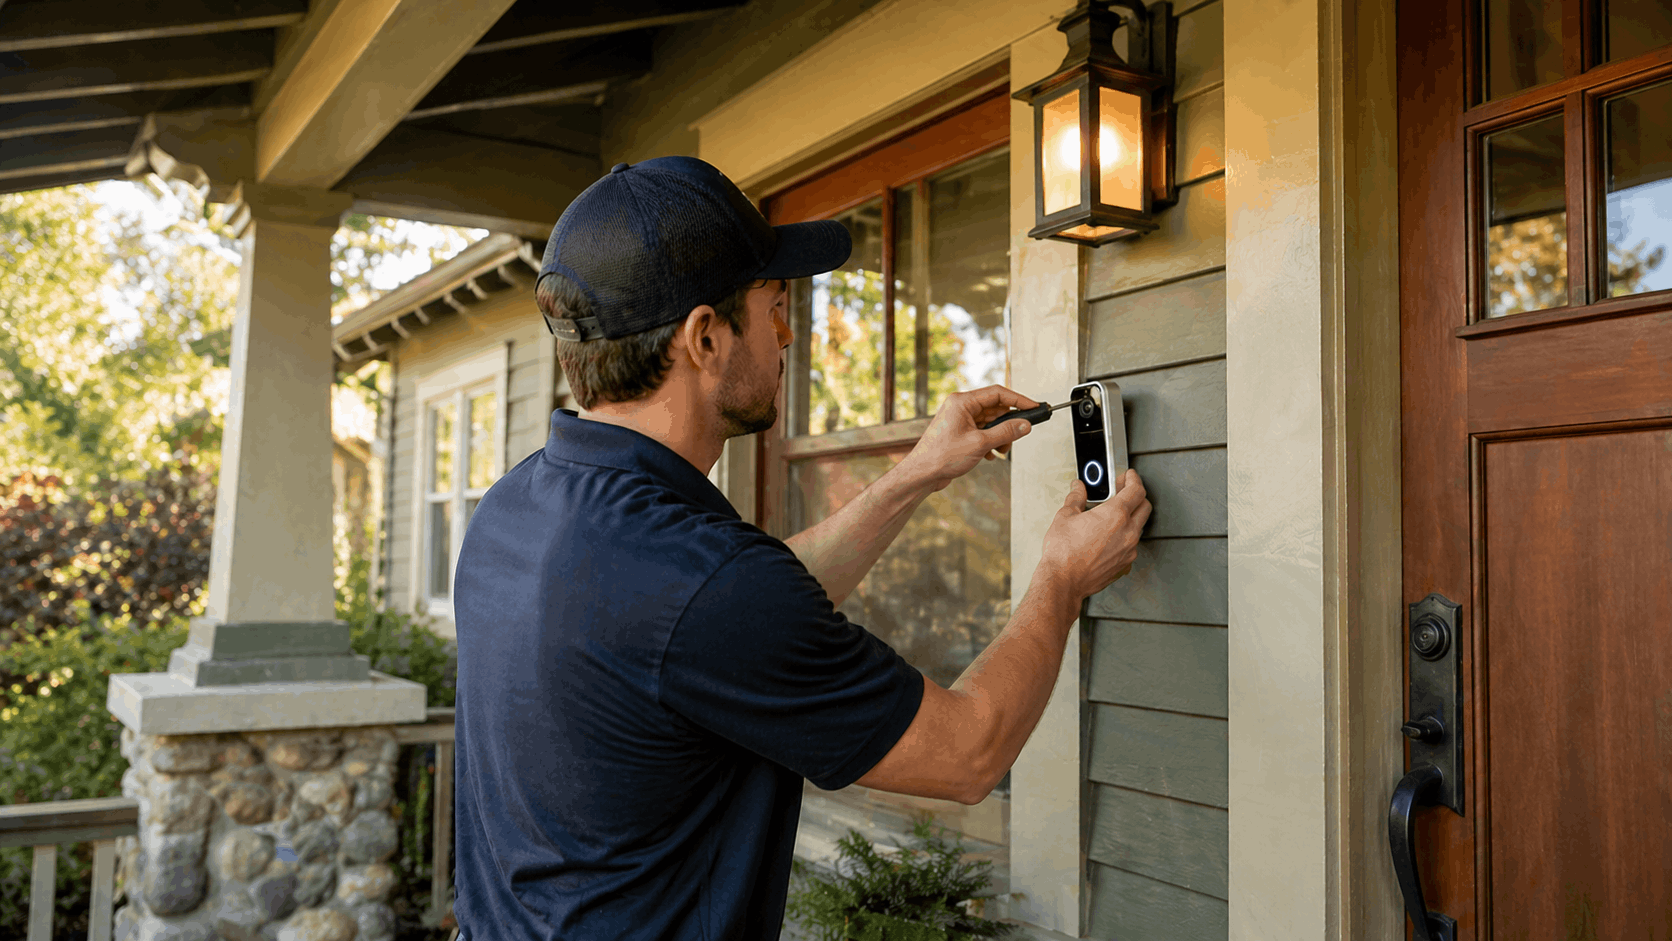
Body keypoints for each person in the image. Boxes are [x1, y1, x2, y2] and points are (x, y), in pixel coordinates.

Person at [451, 156, 1150, 941]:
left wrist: (913, 476)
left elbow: (713, 623)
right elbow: (970, 753)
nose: (787, 335)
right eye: (775, 308)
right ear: (705, 338)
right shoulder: (704, 583)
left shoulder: (513, 509)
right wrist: (1061, 577)